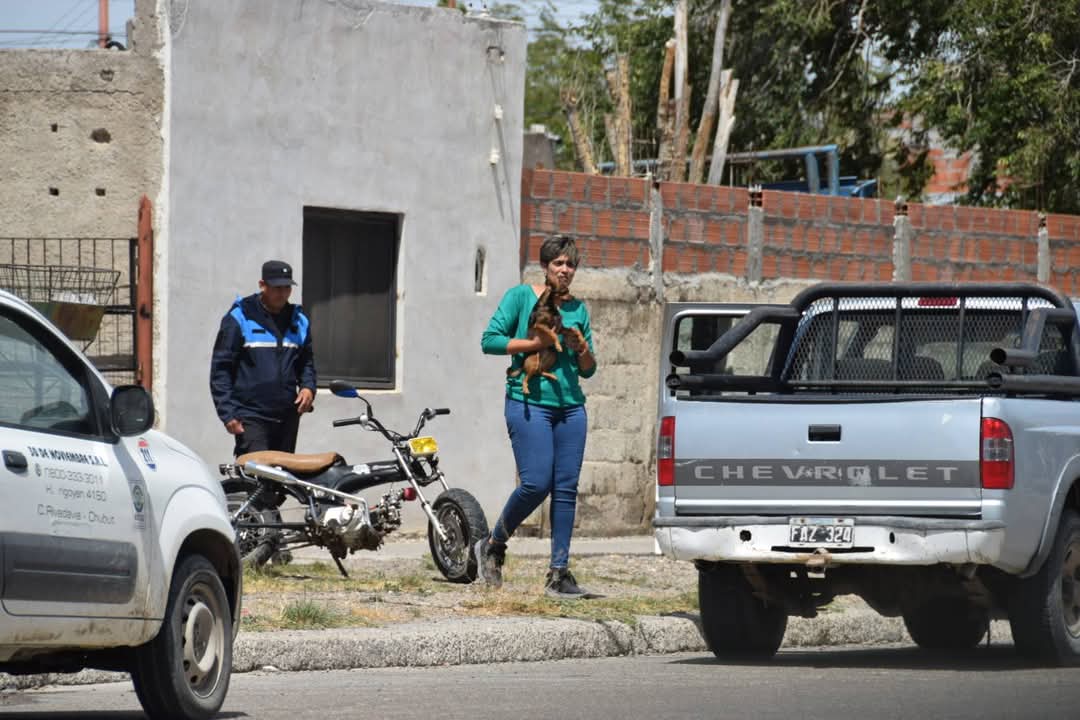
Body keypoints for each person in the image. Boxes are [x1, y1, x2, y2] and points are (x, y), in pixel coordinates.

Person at [476, 235, 597, 599]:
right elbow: (490, 340)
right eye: (558, 263)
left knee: (566, 488)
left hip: (571, 407)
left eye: (570, 264)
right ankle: (493, 545)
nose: (565, 270)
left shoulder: (578, 310)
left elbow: (588, 370)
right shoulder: (520, 297)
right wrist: (535, 344)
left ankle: (559, 573)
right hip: (529, 402)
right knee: (536, 482)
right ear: (545, 266)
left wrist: (583, 349)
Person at [210, 260, 316, 457]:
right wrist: (227, 413)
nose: (282, 293)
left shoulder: (299, 321)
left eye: (287, 288)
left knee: (283, 473)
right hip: (251, 416)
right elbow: (221, 369)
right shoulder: (240, 317)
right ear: (262, 285)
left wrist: (308, 387)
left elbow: (306, 363)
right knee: (258, 472)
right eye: (277, 288)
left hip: (287, 417)